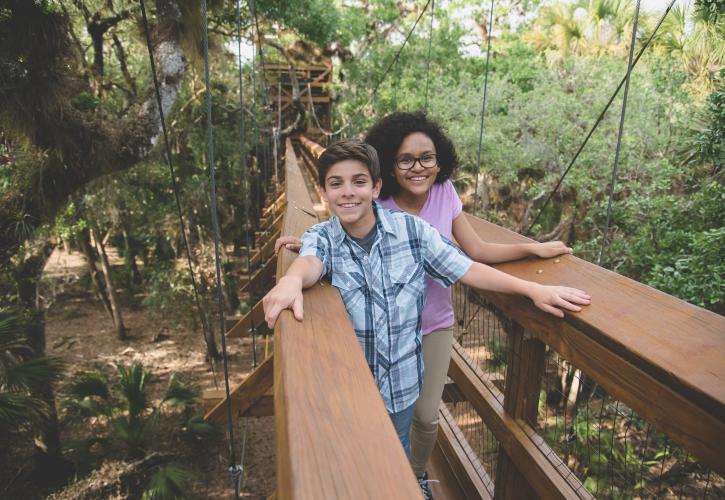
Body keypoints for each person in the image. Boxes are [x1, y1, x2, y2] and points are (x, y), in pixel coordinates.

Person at [263, 138, 590, 493]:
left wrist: (534, 290)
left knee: (399, 454)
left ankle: (411, 482)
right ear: (323, 192)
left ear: (376, 187)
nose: (347, 193)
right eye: (335, 183)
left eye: (358, 182)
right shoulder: (322, 236)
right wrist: (291, 281)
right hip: (352, 387)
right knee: (359, 467)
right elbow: (311, 261)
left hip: (402, 383)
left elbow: (467, 268)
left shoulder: (413, 232)